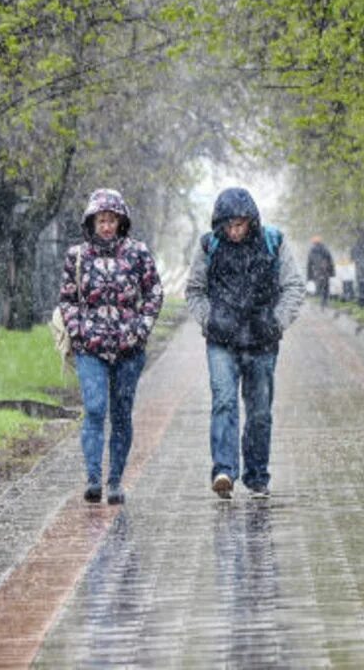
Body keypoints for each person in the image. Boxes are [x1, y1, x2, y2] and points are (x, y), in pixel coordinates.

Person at [185, 187, 305, 500]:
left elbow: (293, 286)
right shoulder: (208, 246)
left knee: (259, 412)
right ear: (220, 224)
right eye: (229, 225)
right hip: (221, 341)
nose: (235, 232)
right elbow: (194, 290)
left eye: (240, 224)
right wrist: (209, 321)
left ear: (251, 222)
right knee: (223, 402)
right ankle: (223, 469)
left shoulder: (273, 242)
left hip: (262, 340)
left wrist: (276, 322)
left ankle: (256, 475)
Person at [57, 188, 163, 505]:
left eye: (111, 220)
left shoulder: (138, 253)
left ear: (120, 221)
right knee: (93, 409)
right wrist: (78, 332)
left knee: (121, 413)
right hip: (90, 348)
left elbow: (154, 293)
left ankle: (115, 480)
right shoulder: (77, 256)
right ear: (92, 222)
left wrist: (140, 329)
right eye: (101, 220)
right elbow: (67, 298)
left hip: (128, 348)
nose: (106, 226)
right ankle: (93, 478)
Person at [306, 236, 335, 308]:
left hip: (317, 271)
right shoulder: (325, 249)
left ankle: (322, 301)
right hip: (325, 271)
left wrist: (309, 276)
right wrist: (332, 272)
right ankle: (324, 301)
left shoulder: (311, 251)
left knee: (320, 285)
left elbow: (309, 264)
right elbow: (330, 261)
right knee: (326, 286)